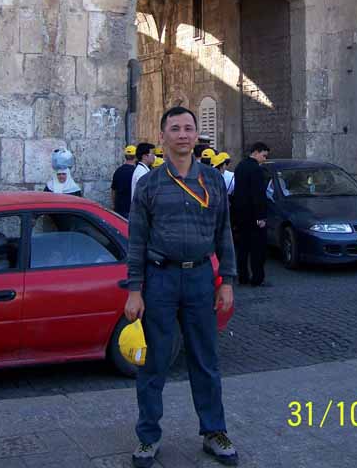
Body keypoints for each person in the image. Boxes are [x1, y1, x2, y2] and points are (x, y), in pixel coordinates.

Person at [126, 106, 238, 468]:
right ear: (162, 137)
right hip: (160, 279)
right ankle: (148, 438)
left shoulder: (213, 180)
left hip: (201, 278)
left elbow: (224, 233)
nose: (183, 134)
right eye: (174, 128)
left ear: (196, 135)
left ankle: (214, 431)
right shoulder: (149, 184)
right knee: (154, 362)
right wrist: (134, 289)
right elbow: (137, 241)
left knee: (205, 359)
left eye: (189, 128)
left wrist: (228, 283)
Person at [231, 142, 270, 287]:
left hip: (241, 215)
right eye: (264, 155)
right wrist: (261, 216)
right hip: (254, 216)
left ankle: (243, 277)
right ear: (257, 152)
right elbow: (258, 195)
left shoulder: (240, 166)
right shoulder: (256, 170)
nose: (264, 159)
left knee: (243, 248)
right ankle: (257, 278)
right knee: (258, 250)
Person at [111, 144, 137, 218]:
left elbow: (113, 190)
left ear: (125, 156)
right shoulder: (136, 172)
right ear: (135, 157)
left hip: (119, 209)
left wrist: (113, 205)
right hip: (131, 209)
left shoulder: (118, 171)